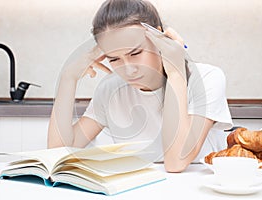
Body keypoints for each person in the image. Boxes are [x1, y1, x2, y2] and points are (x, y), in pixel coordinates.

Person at [47, 0, 233, 172]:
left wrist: (176, 73)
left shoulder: (207, 78)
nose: (129, 70)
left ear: (158, 36)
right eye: (114, 58)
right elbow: (57, 153)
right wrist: (68, 78)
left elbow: (176, 162)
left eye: (135, 53)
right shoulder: (111, 89)